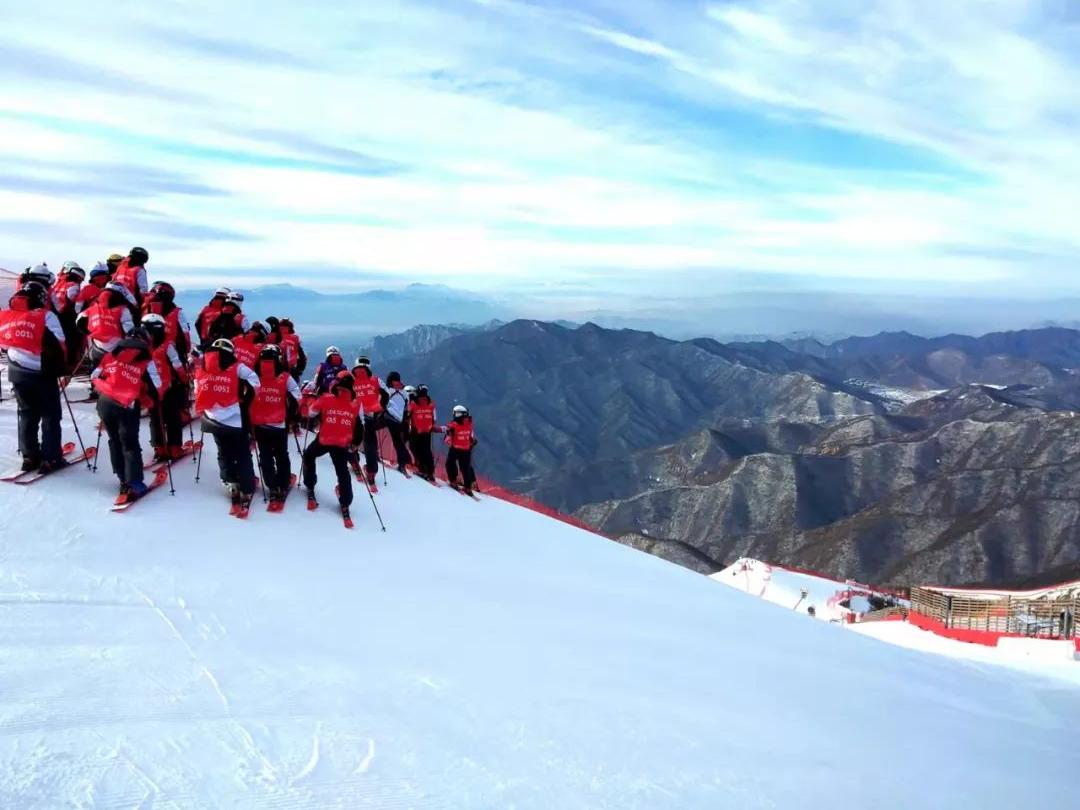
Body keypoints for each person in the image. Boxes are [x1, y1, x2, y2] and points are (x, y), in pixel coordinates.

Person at [0, 281, 68, 472]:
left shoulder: (5, 315)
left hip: (17, 371)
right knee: (50, 415)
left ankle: (29, 457)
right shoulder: (46, 316)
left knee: (27, 414)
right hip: (42, 371)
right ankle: (51, 458)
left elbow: (4, 345)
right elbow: (59, 344)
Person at [91, 328, 163, 499]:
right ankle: (134, 483)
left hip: (105, 401)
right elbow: (157, 386)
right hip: (127, 404)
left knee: (114, 439)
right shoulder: (147, 359)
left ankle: (122, 477)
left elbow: (94, 375)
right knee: (130, 444)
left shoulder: (112, 354)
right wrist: (150, 401)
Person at [194, 338, 260, 513]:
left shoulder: (202, 367)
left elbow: (196, 390)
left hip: (212, 420)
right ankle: (247, 487)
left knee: (223, 450)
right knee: (243, 453)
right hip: (235, 419)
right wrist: (246, 401)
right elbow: (255, 381)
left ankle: (230, 481)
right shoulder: (237, 366)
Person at [302, 372, 358, 522]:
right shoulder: (355, 404)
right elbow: (359, 427)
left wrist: (311, 401)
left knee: (308, 455)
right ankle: (345, 502)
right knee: (342, 471)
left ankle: (310, 485)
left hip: (324, 439)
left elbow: (310, 413)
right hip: (342, 443)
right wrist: (354, 443)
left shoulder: (326, 398)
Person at [249, 343, 301, 505]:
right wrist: (290, 414)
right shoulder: (285, 377)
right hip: (279, 424)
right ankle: (283, 482)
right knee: (281, 455)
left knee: (265, 455)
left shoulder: (253, 376)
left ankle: (271, 485)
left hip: (259, 424)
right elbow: (298, 398)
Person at [142, 313, 188, 462]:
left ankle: (159, 448)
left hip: (149, 388)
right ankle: (174, 448)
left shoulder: (140, 345)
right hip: (168, 387)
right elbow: (177, 365)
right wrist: (184, 379)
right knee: (172, 417)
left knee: (156, 417)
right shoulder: (167, 345)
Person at [351, 356, 383, 486]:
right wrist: (378, 410)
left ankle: (354, 461)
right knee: (370, 443)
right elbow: (385, 396)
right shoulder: (376, 380)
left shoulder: (350, 379)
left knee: (351, 440)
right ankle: (371, 472)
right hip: (370, 416)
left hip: (353, 416)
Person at [143, 281, 193, 358]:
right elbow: (185, 334)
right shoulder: (177, 312)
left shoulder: (142, 307)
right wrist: (186, 350)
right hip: (169, 357)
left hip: (144, 355)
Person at [381, 370, 412, 474]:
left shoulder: (387, 390)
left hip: (386, 416)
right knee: (398, 442)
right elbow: (407, 408)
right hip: (399, 420)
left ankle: (372, 452)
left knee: (370, 429)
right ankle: (403, 464)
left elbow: (381, 402)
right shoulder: (405, 393)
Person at [443, 404, 478, 494]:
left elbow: (448, 434)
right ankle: (468, 487)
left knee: (450, 464)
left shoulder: (454, 425)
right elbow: (471, 436)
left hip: (455, 449)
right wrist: (472, 442)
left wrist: (447, 438)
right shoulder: (469, 423)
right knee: (465, 468)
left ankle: (454, 481)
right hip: (466, 449)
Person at [407, 384, 438, 481]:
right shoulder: (431, 403)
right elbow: (434, 418)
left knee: (414, 447)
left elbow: (407, 414)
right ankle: (430, 472)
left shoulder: (413, 403)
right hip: (427, 430)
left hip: (416, 430)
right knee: (427, 451)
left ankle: (421, 469)